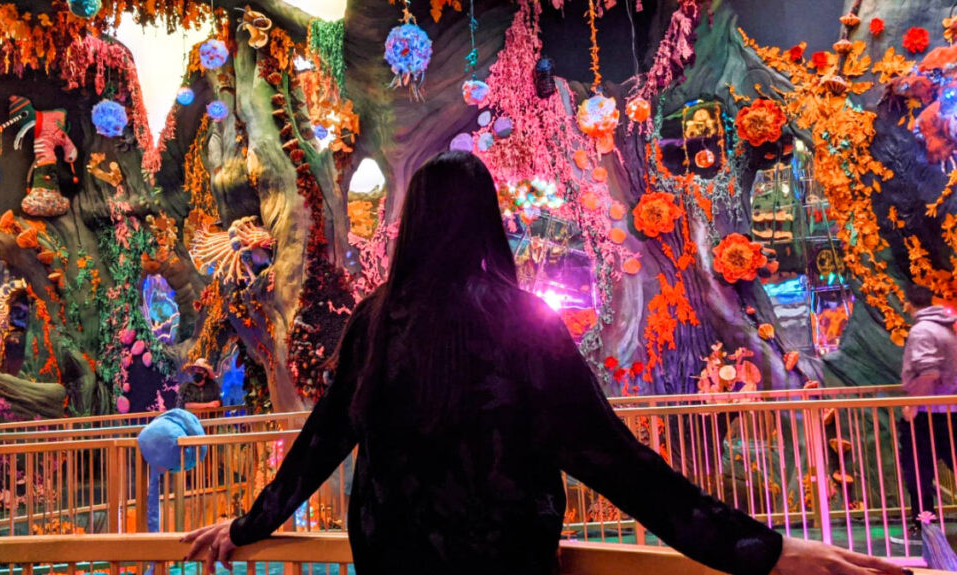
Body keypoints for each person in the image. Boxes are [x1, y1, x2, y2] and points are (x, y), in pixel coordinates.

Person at [184, 152, 906, 575]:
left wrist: (247, 526)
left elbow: (320, 442)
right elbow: (622, 465)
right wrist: (765, 550)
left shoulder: (379, 320)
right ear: (487, 218)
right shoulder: (524, 325)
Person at [898, 283, 957, 538]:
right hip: (951, 409)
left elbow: (929, 372)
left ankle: (925, 526)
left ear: (908, 303)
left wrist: (913, 403)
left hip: (928, 414)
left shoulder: (922, 331)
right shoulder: (949, 327)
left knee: (918, 471)